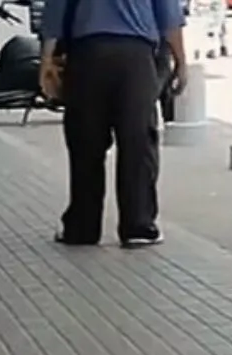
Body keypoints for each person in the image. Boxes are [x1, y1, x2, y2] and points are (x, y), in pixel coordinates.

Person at [40, 0, 187, 248]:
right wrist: (181, 61)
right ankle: (138, 226)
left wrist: (46, 60)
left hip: (87, 55)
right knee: (137, 141)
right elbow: (169, 16)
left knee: (86, 142)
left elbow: (56, 11)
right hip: (136, 57)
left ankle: (82, 228)